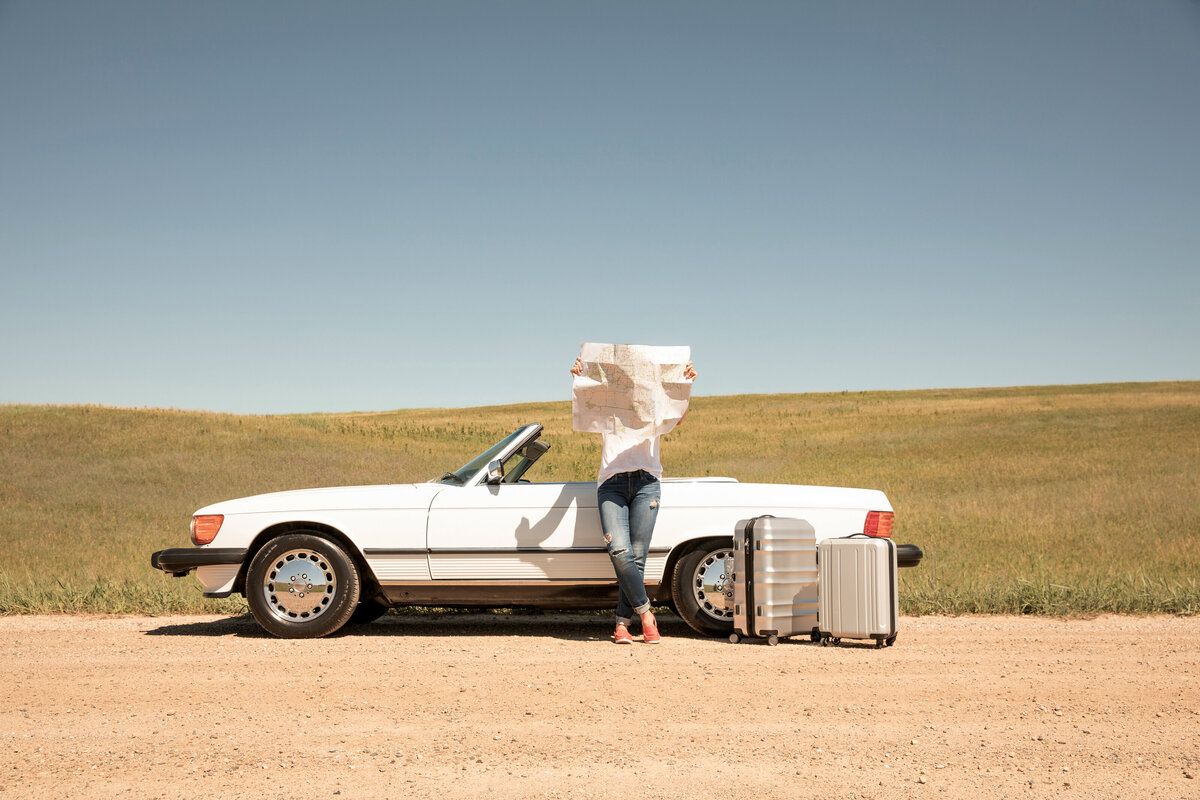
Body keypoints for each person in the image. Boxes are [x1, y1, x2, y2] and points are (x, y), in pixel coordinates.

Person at [571, 356, 698, 644]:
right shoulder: (607, 402)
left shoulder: (653, 404)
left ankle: (621, 625)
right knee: (619, 551)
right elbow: (584, 409)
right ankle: (645, 614)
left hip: (646, 482)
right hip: (611, 483)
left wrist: (685, 384)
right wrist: (579, 377)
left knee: (637, 558)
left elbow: (676, 418)